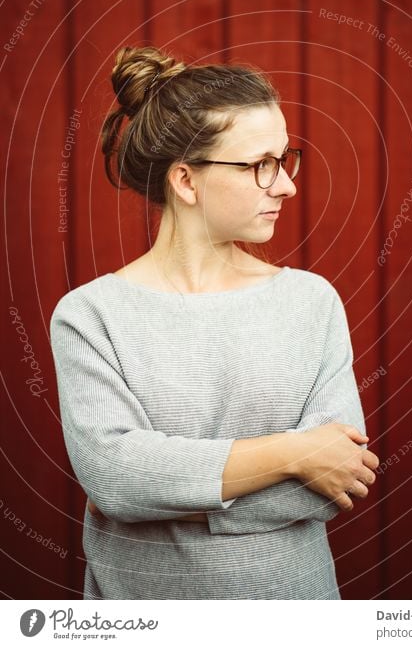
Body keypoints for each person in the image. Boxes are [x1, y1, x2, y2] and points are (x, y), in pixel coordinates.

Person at [49, 46, 379, 600]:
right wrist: (292, 455)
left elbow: (335, 481)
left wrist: (167, 493)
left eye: (285, 157)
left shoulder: (310, 302)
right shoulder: (90, 317)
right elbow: (117, 480)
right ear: (186, 180)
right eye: (260, 166)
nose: (287, 186)